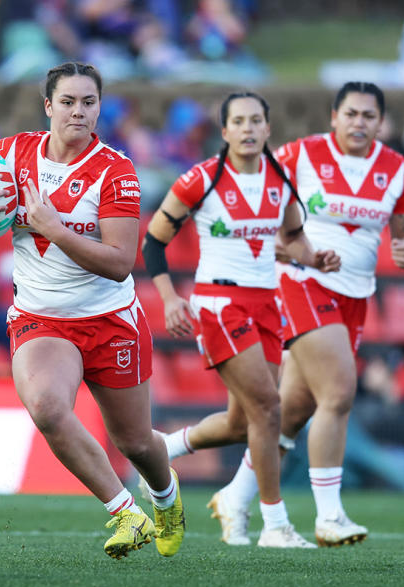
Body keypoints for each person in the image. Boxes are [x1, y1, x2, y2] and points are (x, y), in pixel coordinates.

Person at [0, 62, 185, 560]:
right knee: (48, 407)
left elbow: (119, 264)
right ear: (48, 106)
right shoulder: (8, 155)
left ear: (99, 107)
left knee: (136, 441)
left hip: (112, 321)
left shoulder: (115, 170)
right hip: (41, 318)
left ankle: (165, 498)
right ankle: (125, 513)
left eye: (88, 103)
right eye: (67, 102)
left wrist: (54, 228)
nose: (78, 111)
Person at [209, 82, 404, 547]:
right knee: (340, 392)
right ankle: (330, 516)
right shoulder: (298, 156)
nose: (359, 122)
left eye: (368, 115)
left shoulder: (398, 171)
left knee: (296, 410)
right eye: (351, 113)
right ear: (333, 116)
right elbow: (253, 203)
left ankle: (236, 495)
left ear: (380, 123)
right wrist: (285, 251)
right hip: (302, 282)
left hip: (355, 295)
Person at [141, 92, 340, 548]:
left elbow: (293, 238)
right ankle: (275, 525)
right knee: (270, 408)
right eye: (239, 121)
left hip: (266, 304)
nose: (248, 129)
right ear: (225, 130)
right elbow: (154, 241)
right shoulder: (201, 179)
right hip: (219, 304)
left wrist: (316, 258)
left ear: (269, 129)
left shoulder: (281, 179)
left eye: (256, 121)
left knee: (241, 422)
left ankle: (161, 450)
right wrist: (171, 299)